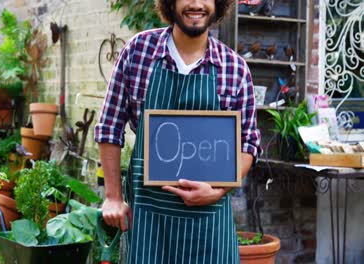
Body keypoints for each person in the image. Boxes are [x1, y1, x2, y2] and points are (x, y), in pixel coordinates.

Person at [94, 0, 262, 263]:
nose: (196, 4)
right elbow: (109, 126)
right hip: (148, 223)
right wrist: (113, 197)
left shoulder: (235, 69)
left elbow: (248, 144)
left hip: (209, 228)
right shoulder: (138, 53)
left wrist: (218, 190)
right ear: (170, 3)